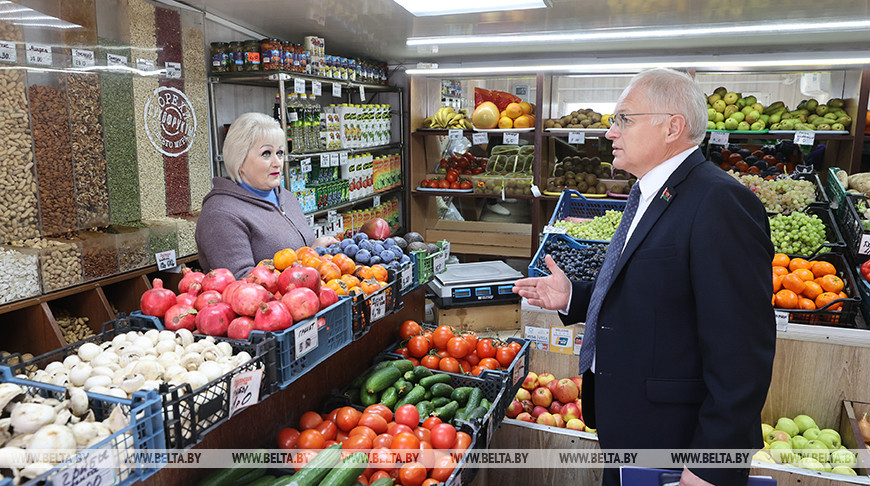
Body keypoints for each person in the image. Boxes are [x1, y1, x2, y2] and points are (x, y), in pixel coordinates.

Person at [513, 68, 775, 486]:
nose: (610, 132)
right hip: (629, 426)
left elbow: (742, 352)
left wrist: (711, 467)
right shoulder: (646, 194)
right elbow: (656, 295)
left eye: (623, 119)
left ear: (673, 127)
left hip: (674, 441)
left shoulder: (720, 203)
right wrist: (574, 297)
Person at [196, 112, 337, 278]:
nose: (277, 162)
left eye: (280, 153)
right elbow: (242, 283)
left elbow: (299, 254)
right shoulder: (220, 214)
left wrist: (316, 253)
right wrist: (309, 258)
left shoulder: (286, 197)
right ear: (239, 160)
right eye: (266, 153)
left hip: (304, 299)